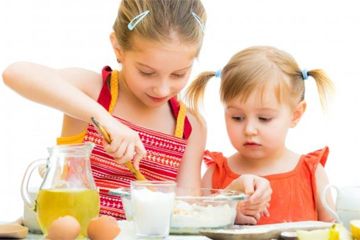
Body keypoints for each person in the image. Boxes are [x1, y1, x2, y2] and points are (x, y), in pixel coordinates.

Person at [3, 1, 271, 220]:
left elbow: (185, 205)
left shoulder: (189, 125)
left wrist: (230, 197)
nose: (162, 89)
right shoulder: (95, 93)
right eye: (147, 72)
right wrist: (105, 120)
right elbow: (16, 73)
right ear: (118, 48)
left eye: (179, 74)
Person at [186, 45, 335, 225]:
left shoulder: (312, 175)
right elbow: (194, 227)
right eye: (237, 117)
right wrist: (227, 205)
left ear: (295, 114)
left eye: (264, 118)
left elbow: (334, 233)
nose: (249, 129)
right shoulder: (214, 175)